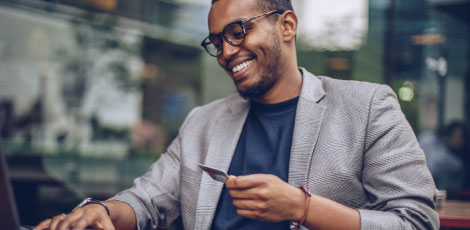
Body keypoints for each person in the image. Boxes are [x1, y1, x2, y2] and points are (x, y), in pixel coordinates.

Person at [35, 0, 439, 229]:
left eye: (238, 31)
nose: (226, 52)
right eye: (216, 41)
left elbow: (418, 222)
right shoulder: (203, 122)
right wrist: (103, 212)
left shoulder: (366, 107)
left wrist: (303, 208)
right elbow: (147, 200)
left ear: (287, 25)